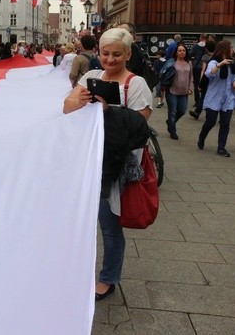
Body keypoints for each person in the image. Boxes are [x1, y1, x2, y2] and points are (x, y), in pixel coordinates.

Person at [63, 27, 153, 302]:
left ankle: (108, 278)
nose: (110, 59)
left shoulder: (136, 84)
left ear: (127, 54)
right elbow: (66, 107)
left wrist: (108, 111)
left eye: (117, 54)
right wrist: (79, 100)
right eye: (105, 53)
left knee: (110, 227)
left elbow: (140, 127)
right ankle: (75, 272)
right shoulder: (91, 76)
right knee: (80, 222)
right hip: (87, 159)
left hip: (116, 167)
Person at [197, 40, 235, 157]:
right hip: (214, 97)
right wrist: (220, 64)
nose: (232, 50)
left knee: (225, 124)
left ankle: (221, 148)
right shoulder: (214, 62)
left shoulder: (233, 63)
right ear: (224, 49)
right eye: (230, 48)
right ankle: (202, 138)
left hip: (228, 98)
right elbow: (208, 74)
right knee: (210, 122)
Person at [165, 44, 193, 140]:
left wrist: (190, 88)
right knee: (172, 112)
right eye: (180, 51)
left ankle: (170, 122)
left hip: (184, 92)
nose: (182, 52)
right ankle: (172, 130)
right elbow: (163, 74)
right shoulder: (171, 63)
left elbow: (191, 77)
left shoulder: (189, 63)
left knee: (182, 111)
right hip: (172, 90)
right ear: (176, 53)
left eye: (183, 50)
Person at [189, 39, 216, 119]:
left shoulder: (206, 57)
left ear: (206, 48)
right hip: (216, 79)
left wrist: (201, 81)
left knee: (204, 96)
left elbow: (203, 70)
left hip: (207, 79)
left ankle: (197, 112)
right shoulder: (218, 56)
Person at [189, 34, 208, 105]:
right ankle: (204, 99)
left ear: (200, 38)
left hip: (196, 66)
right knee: (205, 83)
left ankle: (197, 101)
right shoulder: (208, 46)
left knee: (196, 83)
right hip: (206, 66)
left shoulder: (196, 46)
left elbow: (190, 54)